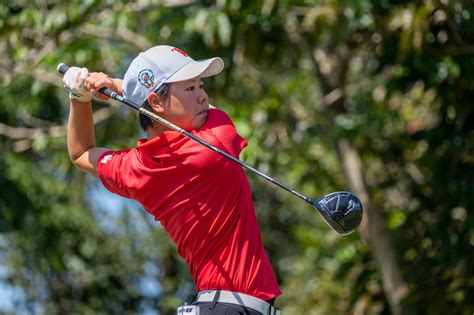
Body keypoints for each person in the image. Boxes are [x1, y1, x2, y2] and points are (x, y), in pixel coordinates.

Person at [62, 45, 282, 315]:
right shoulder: (214, 143)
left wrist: (79, 97)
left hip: (215, 306)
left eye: (201, 86)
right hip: (231, 307)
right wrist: (117, 85)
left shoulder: (136, 168)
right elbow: (213, 111)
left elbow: (81, 152)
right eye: (190, 89)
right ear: (155, 103)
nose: (203, 96)